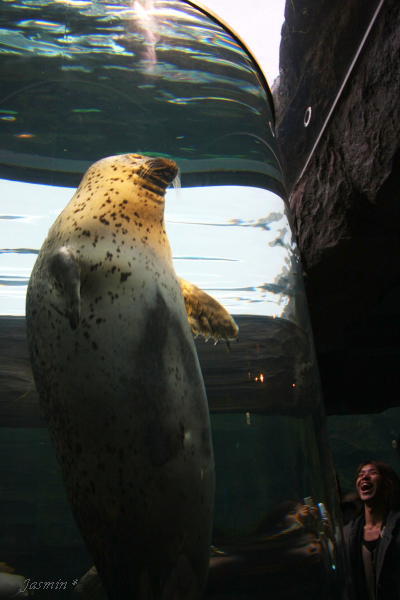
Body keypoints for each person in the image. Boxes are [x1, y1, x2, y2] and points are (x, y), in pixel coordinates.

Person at [344, 460, 400, 600]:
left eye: (372, 473)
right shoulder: (348, 535)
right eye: (361, 474)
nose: (364, 477)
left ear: (387, 484)